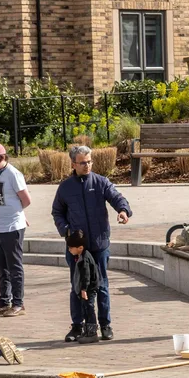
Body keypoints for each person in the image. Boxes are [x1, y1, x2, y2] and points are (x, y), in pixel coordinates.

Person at [51, 144, 133, 342]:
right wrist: (67, 231)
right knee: (77, 286)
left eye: (89, 162)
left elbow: (117, 197)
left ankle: (105, 325)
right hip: (77, 247)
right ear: (73, 164)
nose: (87, 165)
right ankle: (77, 326)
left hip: (99, 244)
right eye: (82, 163)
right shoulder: (65, 187)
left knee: (101, 285)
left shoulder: (101, 182)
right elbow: (57, 212)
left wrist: (123, 211)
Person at [0, 142, 31, 317]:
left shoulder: (13, 174)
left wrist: (19, 214)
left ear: (1, 158)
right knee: (2, 267)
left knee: (14, 266)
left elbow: (26, 199)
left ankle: (18, 303)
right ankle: (4, 301)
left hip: (12, 226)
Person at [66, 229, 101, 344]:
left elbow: (86, 275)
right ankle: (87, 331)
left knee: (89, 309)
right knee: (85, 309)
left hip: (88, 289)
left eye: (71, 247)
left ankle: (92, 333)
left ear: (80, 247)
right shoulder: (81, 256)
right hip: (85, 289)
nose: (69, 250)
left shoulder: (85, 259)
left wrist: (84, 289)